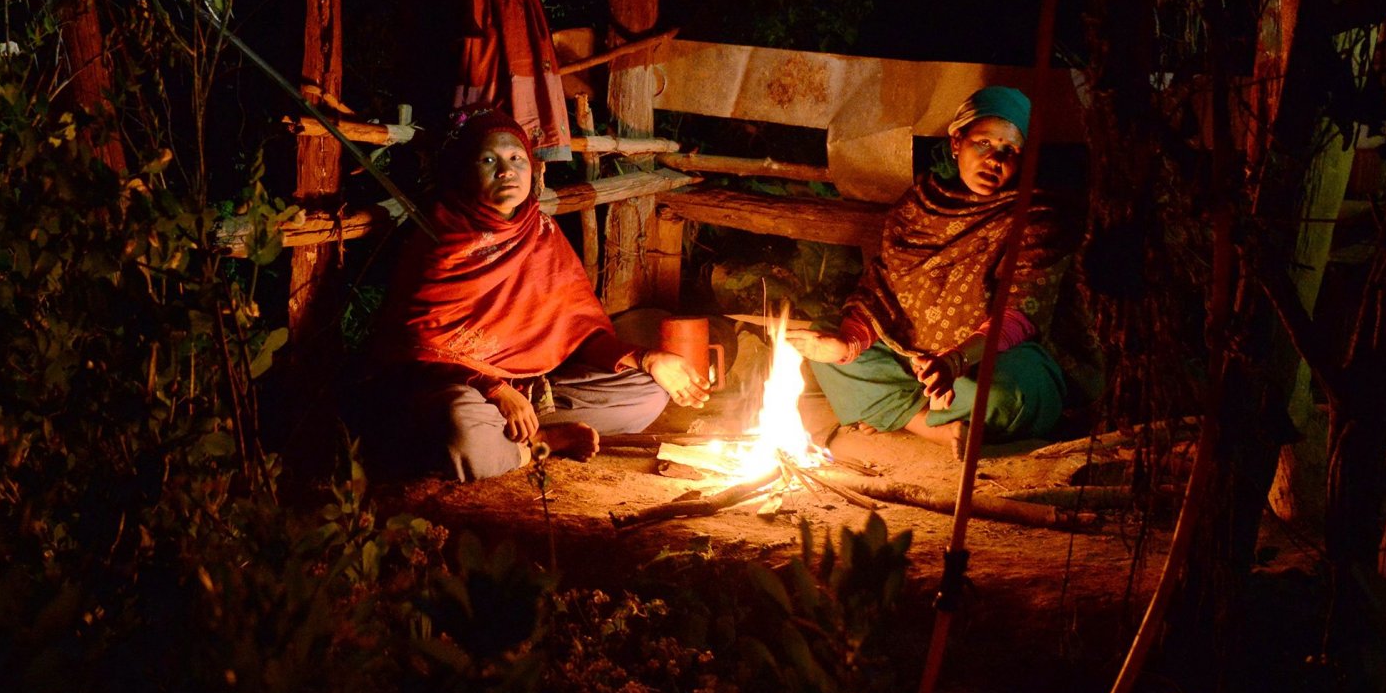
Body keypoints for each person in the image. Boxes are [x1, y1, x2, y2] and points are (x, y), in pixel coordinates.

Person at [370, 110, 710, 480]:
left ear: (531, 167)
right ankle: (541, 442)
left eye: (516, 158)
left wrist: (646, 359)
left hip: (536, 394)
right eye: (488, 160)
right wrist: (495, 389)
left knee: (647, 393)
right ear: (464, 172)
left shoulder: (542, 232)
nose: (506, 170)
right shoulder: (440, 237)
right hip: (468, 395)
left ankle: (524, 433)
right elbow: (415, 350)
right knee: (460, 430)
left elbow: (580, 334)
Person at [786, 86, 1071, 452]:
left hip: (983, 361)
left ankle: (895, 411)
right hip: (908, 356)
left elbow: (1020, 315)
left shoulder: (1035, 217)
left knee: (1011, 395)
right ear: (957, 143)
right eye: (982, 143)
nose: (994, 160)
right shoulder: (917, 208)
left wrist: (955, 361)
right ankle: (930, 425)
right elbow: (882, 293)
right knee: (826, 344)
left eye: (1009, 151)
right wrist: (848, 343)